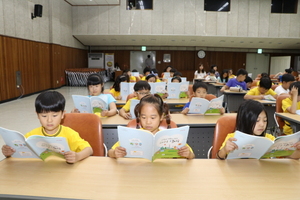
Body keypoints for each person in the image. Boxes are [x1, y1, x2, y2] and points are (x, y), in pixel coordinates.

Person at [1, 91, 93, 163]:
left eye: (54, 115)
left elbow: (89, 150)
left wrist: (78, 156)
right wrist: (9, 153)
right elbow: (20, 152)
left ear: (62, 115)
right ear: (37, 115)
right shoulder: (32, 135)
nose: (49, 120)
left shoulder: (69, 134)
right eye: (44, 116)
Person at [109, 94, 195, 159]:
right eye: (143, 117)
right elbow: (110, 152)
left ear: (161, 117)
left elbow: (192, 155)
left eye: (153, 117)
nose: (148, 122)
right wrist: (114, 153)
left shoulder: (170, 136)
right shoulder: (133, 135)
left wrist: (188, 154)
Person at [216, 99, 300, 159]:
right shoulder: (233, 138)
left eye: (265, 120)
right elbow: (218, 157)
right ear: (245, 120)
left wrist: (297, 150)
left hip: (263, 176)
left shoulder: (269, 139)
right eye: (257, 120)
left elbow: (292, 156)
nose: (262, 125)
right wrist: (224, 150)